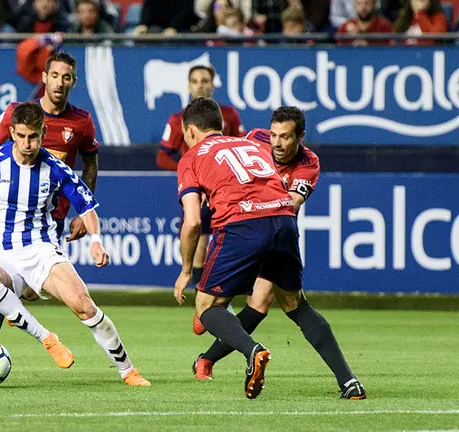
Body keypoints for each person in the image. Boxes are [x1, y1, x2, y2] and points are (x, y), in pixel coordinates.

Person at [0, 102, 150, 386]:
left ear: (43, 132)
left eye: (33, 136)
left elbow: (86, 207)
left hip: (42, 250)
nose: (27, 143)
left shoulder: (56, 169)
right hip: (0, 251)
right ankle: (47, 338)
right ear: (12, 132)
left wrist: (96, 241)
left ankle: (128, 370)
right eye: (22, 136)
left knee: (84, 305)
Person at [173, 97, 365, 400]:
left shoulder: (192, 156)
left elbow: (194, 222)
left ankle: (253, 352)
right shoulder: (249, 144)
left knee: (207, 307)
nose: (277, 142)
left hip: (243, 224)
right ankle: (350, 382)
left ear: (191, 130)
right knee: (295, 304)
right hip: (283, 219)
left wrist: (186, 271)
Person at [0, 52, 99, 344]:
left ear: (73, 82)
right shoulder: (18, 113)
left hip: (51, 217)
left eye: (66, 77)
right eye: (54, 75)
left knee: (30, 289)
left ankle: (17, 303)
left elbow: (91, 165)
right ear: (44, 78)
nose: (59, 82)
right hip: (10, 211)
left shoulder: (81, 122)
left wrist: (82, 211)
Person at [192, 106, 319, 380]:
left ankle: (206, 356)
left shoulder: (308, 163)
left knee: (259, 303)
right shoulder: (253, 138)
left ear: (300, 137)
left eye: (285, 137)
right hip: (248, 224)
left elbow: (293, 203)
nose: (277, 143)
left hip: (275, 228)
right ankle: (208, 319)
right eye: (273, 135)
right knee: (251, 300)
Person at [156, 64, 244, 334]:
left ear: (213, 85)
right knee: (199, 247)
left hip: (224, 192)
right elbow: (162, 157)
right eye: (195, 81)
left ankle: (218, 303)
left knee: (230, 243)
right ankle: (208, 306)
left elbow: (239, 149)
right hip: (198, 195)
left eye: (205, 80)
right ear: (188, 85)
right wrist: (192, 177)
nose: (200, 86)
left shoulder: (226, 116)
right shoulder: (177, 119)